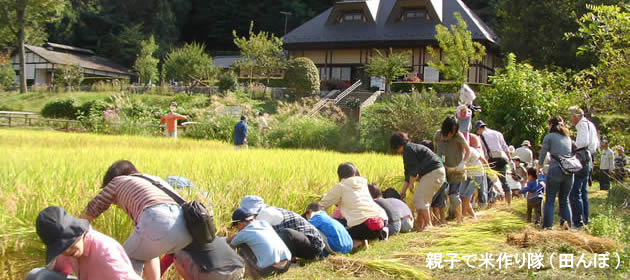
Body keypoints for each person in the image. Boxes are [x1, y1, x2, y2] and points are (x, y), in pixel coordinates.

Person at [79, 160, 193, 280]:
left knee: (124, 261)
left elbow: (92, 208)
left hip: (157, 218)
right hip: (186, 228)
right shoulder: (153, 180)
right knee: (146, 252)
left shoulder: (117, 181)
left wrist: (72, 228)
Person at [28, 206, 140, 280]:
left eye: (68, 242)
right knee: (37, 275)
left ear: (79, 232)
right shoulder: (71, 250)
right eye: (61, 248)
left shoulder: (105, 252)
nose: (66, 250)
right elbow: (60, 270)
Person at [319, 163, 388, 250]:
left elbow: (321, 206)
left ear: (339, 176)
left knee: (332, 225)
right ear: (354, 173)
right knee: (356, 218)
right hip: (380, 223)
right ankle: (364, 240)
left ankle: (356, 242)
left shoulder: (340, 186)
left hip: (364, 228)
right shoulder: (363, 185)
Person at [390, 132, 446, 231]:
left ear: (397, 145)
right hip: (436, 173)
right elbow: (408, 175)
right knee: (423, 201)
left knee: (419, 199)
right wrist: (403, 192)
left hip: (433, 172)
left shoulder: (408, 150)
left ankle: (428, 226)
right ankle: (421, 226)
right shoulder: (408, 149)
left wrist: (411, 184)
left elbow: (414, 171)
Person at [240, 196, 324, 260]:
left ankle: (291, 261)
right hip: (303, 244)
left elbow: (257, 236)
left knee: (286, 233)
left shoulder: (266, 213)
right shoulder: (261, 213)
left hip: (314, 247)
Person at [228, 209, 291, 279]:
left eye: (236, 227)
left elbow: (231, 246)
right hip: (286, 265)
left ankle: (251, 277)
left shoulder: (244, 233)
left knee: (240, 248)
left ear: (239, 223)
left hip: (271, 269)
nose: (237, 229)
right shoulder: (264, 223)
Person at [538, 116, 574, 229]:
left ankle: (548, 227)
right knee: (564, 200)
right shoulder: (567, 138)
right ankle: (567, 227)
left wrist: (539, 166)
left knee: (550, 200)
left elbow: (543, 153)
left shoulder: (549, 137)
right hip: (569, 170)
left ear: (551, 125)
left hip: (556, 169)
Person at [434, 116, 470, 224]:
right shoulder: (437, 135)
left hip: (456, 171)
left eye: (453, 132)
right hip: (442, 170)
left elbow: (468, 151)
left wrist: (463, 163)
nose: (450, 135)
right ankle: (442, 220)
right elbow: (435, 151)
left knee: (453, 195)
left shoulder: (458, 136)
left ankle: (460, 219)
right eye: (449, 132)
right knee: (441, 194)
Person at [568, 106, 599, 227]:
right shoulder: (590, 124)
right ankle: (585, 219)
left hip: (581, 160)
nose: (570, 120)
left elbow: (582, 142)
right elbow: (595, 144)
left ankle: (578, 222)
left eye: (571, 117)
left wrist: (572, 144)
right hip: (589, 159)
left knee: (575, 192)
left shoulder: (581, 125)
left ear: (575, 116)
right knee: (583, 192)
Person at [160, 238, 245, 280]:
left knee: (176, 259)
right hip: (239, 269)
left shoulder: (178, 241)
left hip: (215, 274)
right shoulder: (211, 235)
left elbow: (163, 264)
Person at [474, 120, 512, 206]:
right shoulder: (497, 133)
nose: (477, 132)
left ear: (479, 128)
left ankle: (489, 202)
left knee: (488, 182)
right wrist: (509, 159)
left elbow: (482, 152)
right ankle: (509, 204)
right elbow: (505, 147)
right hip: (502, 159)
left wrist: (484, 163)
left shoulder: (480, 137)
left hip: (491, 161)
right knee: (504, 181)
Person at [464, 134, 489, 211]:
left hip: (477, 175)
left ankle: (463, 216)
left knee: (466, 196)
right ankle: (469, 215)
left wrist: (488, 170)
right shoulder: (458, 152)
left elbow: (483, 160)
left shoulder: (471, 150)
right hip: (468, 175)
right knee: (463, 195)